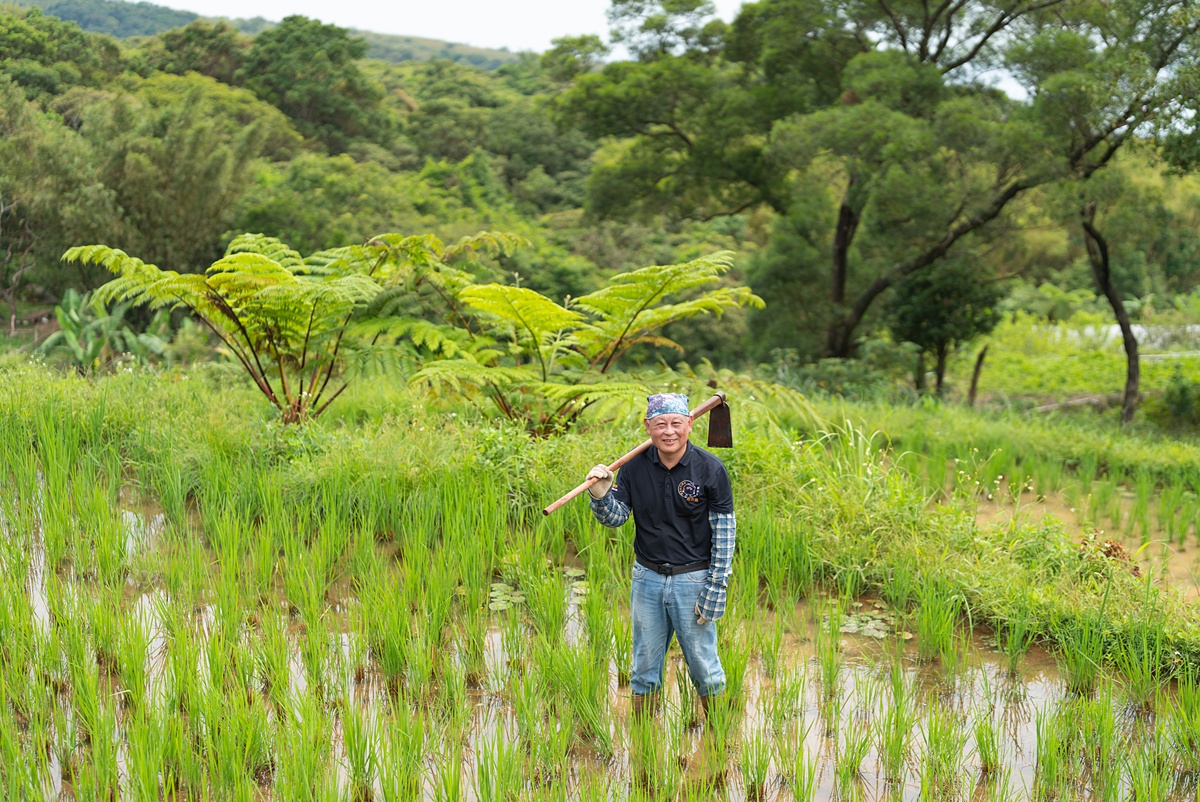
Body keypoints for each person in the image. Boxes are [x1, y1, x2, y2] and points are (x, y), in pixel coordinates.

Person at [585, 392, 736, 717]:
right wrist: (600, 496)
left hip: (693, 580)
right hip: (647, 579)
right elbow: (616, 518)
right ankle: (645, 746)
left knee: (704, 667)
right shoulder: (633, 467)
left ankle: (718, 742)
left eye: (676, 423)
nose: (669, 431)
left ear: (690, 424)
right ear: (648, 427)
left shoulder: (710, 469)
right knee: (643, 668)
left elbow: (724, 534)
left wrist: (716, 587)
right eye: (660, 424)